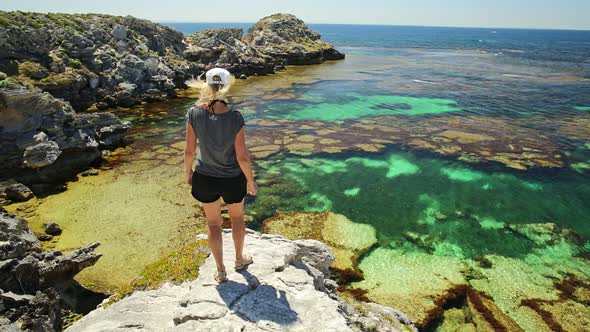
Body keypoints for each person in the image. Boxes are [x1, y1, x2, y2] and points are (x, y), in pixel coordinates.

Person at [184, 67, 258, 283]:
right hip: (233, 178)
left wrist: (188, 173)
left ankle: (220, 270)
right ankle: (239, 259)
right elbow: (242, 157)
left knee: (213, 224)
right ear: (227, 87)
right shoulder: (235, 118)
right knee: (237, 218)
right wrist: (251, 181)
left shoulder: (194, 113)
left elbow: (189, 151)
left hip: (205, 178)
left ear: (206, 85)